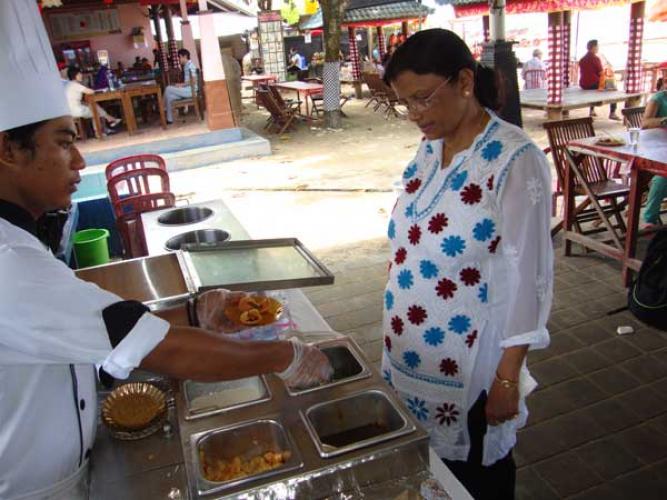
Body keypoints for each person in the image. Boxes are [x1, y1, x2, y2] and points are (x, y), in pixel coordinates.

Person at [0, 2, 333, 497]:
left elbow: (100, 328)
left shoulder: (19, 243)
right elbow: (161, 349)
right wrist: (283, 355)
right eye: (64, 142)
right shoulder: (9, 264)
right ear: (9, 150)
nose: (78, 159)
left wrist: (196, 314)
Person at [381, 29, 553, 499]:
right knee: (432, 472)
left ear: (463, 82)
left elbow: (530, 279)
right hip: (411, 357)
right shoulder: (430, 148)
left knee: (478, 477)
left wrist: (507, 377)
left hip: (471, 369)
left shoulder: (515, 161)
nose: (415, 114)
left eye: (422, 98)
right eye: (404, 103)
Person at [640, 84, 667, 227]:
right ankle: (650, 219)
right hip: (656, 148)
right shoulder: (659, 99)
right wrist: (664, 120)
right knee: (663, 177)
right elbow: (645, 123)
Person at [579, 40, 621, 120]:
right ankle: (612, 113)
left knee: (598, 85)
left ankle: (592, 110)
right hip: (592, 83)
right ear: (594, 47)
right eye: (597, 46)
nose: (598, 48)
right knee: (612, 87)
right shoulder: (595, 58)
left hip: (583, 84)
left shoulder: (582, 59)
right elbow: (601, 73)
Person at [164, 48, 197, 124]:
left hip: (191, 91)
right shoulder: (186, 65)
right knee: (169, 97)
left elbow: (194, 80)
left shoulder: (190, 65)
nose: (178, 59)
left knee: (168, 88)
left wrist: (181, 85)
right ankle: (169, 120)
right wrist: (181, 85)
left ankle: (163, 109)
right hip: (187, 90)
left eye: (179, 57)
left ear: (184, 56)